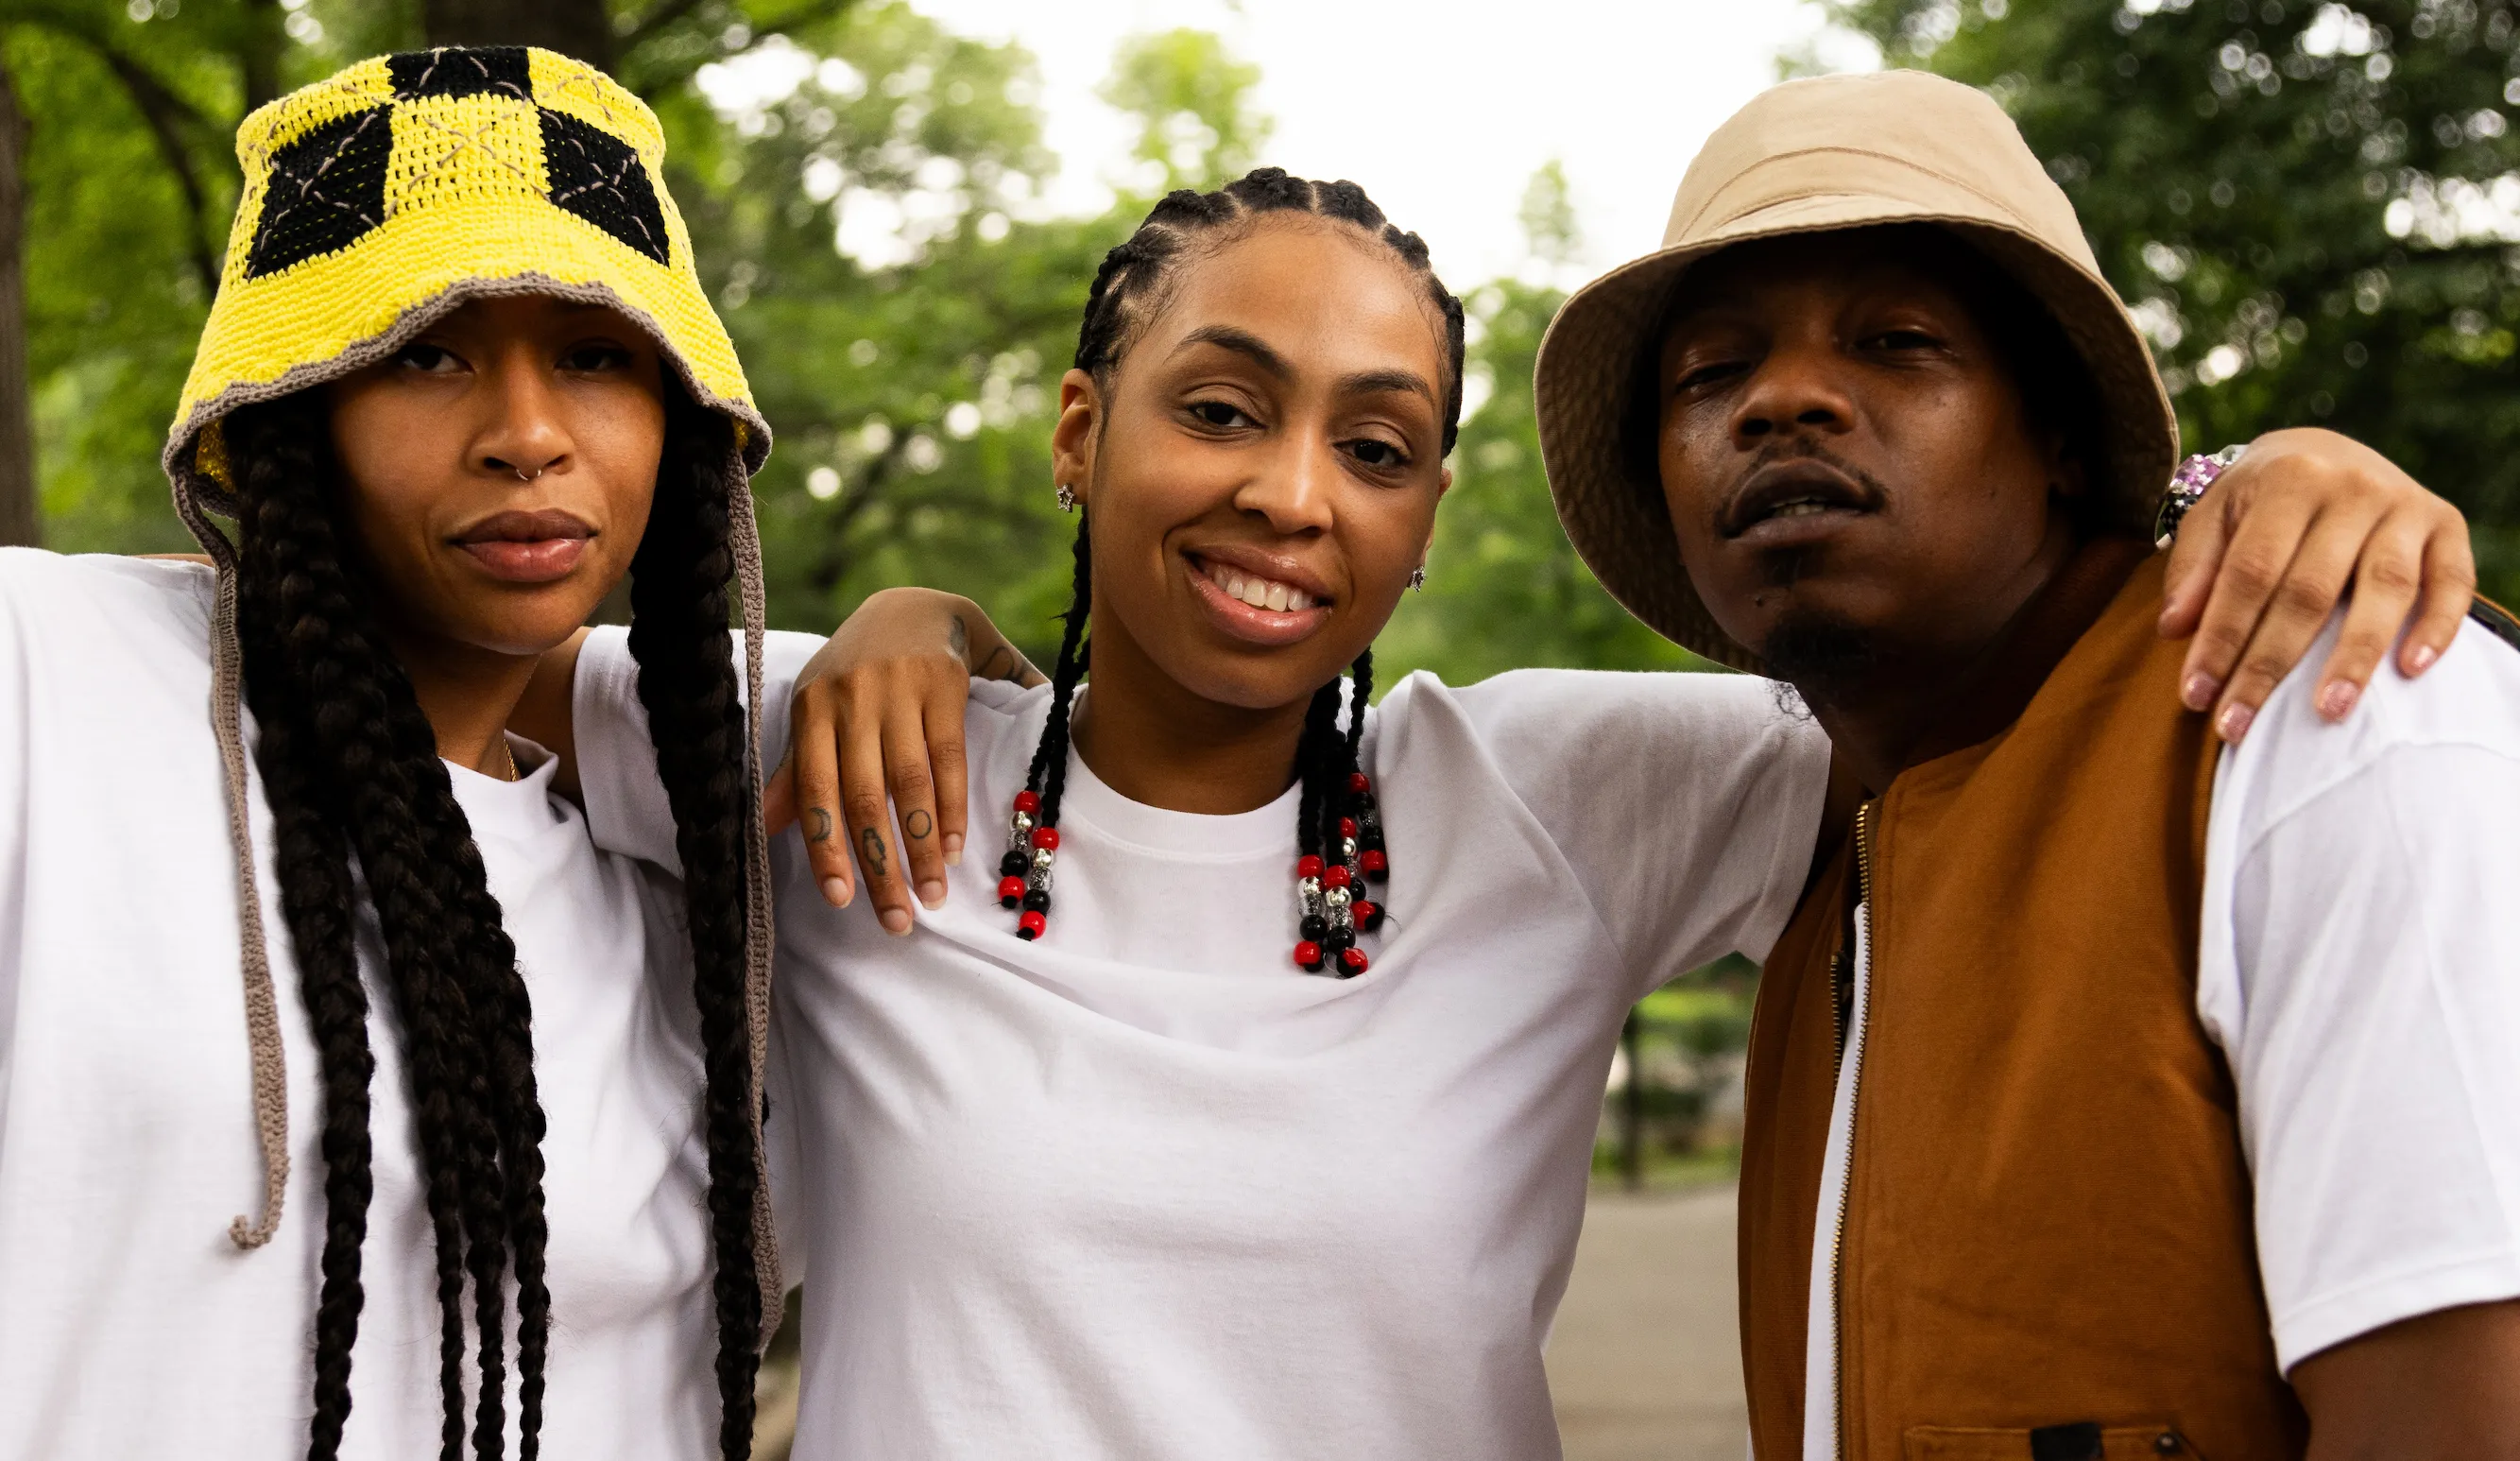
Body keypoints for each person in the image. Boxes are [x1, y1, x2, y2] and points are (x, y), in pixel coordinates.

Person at [542, 163, 2474, 1458]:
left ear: (1425, 512)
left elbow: (2006, 687)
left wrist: (2244, 477)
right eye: (1217, 408)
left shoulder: (1555, 790)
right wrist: (908, 633)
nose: (1294, 495)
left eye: (1373, 446)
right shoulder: (828, 755)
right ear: (1080, 431)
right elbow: (412, 661)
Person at [1532, 70, 2520, 1461]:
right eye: (1711, 373)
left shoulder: (2327, 707)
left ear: (2058, 436)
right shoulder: (1823, 856)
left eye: (1894, 340)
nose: (1783, 401)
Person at [0, 47, 781, 1460]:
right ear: (294, 416)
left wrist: (912, 633)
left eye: (597, 356)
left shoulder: (695, 893)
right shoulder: (44, 674)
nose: (529, 436)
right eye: (426, 350)